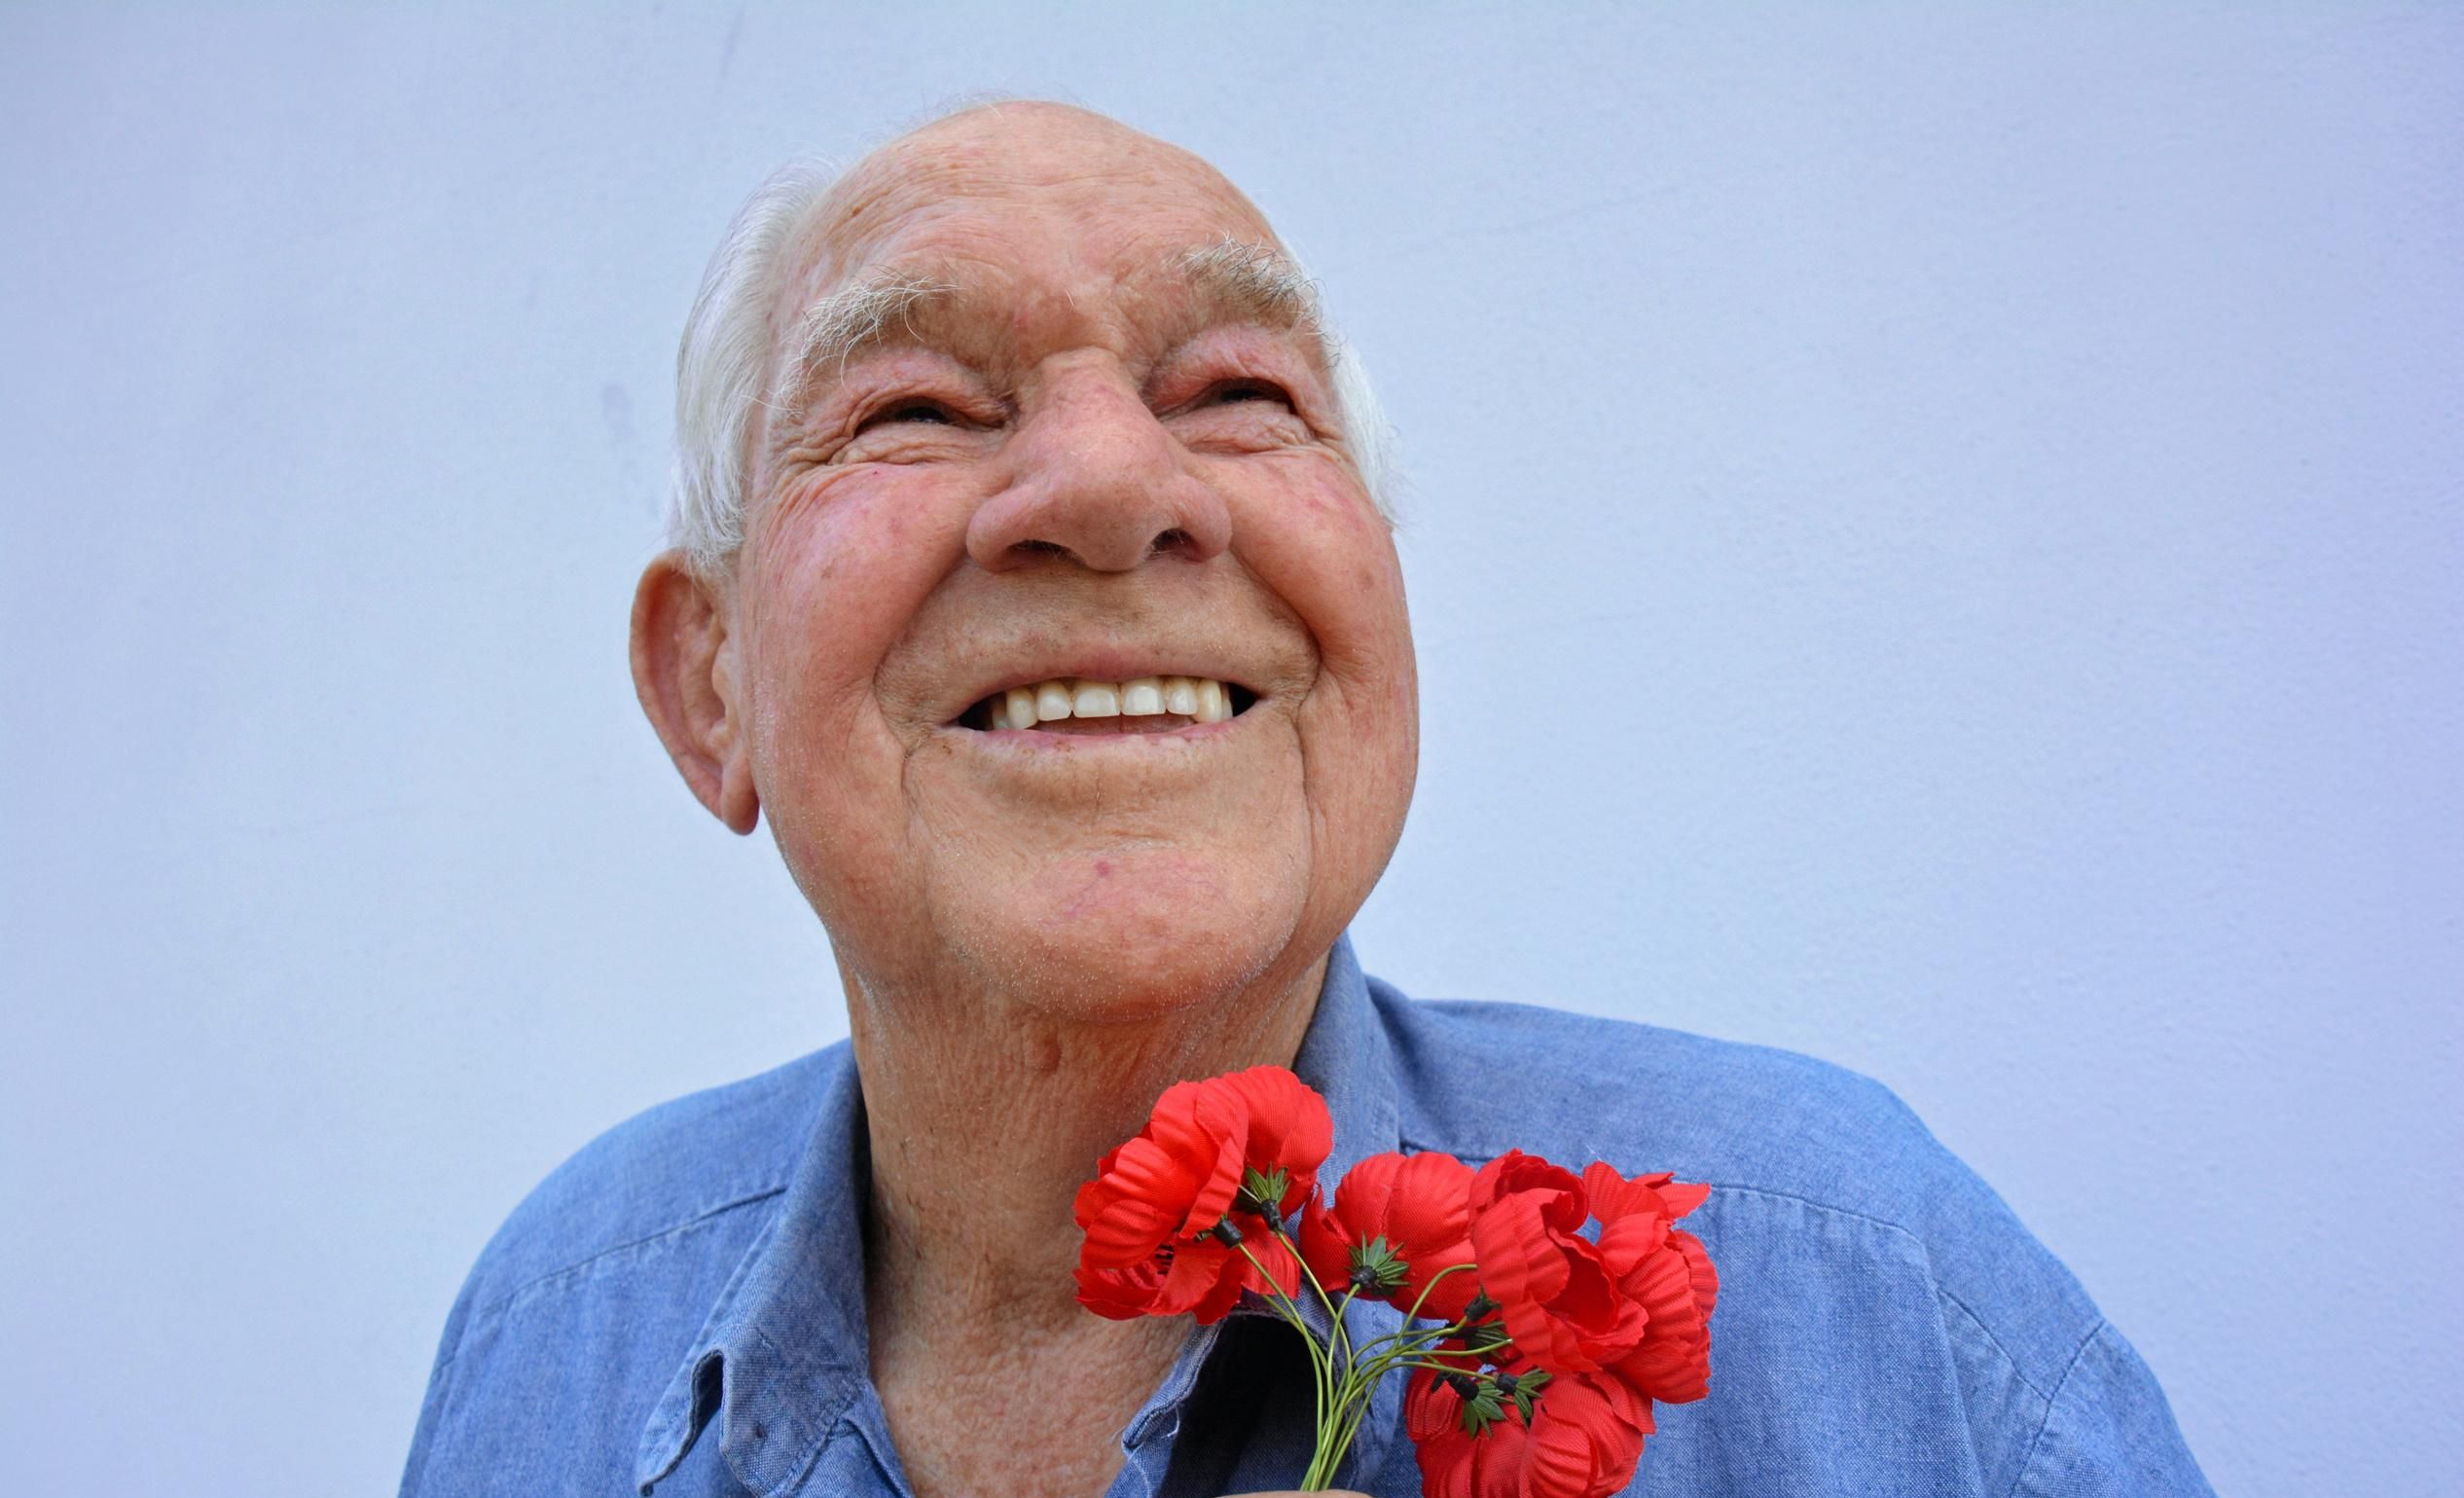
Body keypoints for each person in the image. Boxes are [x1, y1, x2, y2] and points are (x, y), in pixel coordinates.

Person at [398, 101, 2214, 1498]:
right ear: (707, 681)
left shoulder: (1860, 1311)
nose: (1111, 482)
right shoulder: (560, 1331)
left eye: (1240, 391)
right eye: (919, 408)